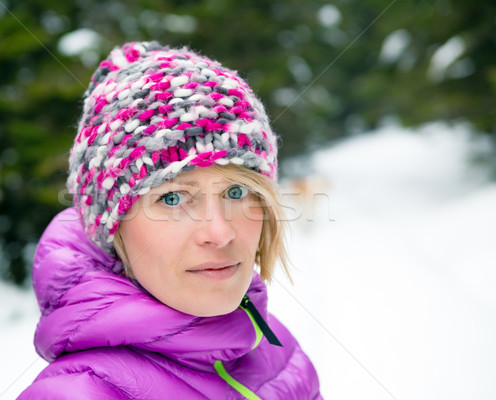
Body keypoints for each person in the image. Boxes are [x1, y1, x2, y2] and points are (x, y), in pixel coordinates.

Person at [18, 41, 322, 399]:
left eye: (237, 192)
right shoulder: (81, 392)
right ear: (111, 227)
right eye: (173, 198)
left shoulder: (274, 346)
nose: (220, 233)